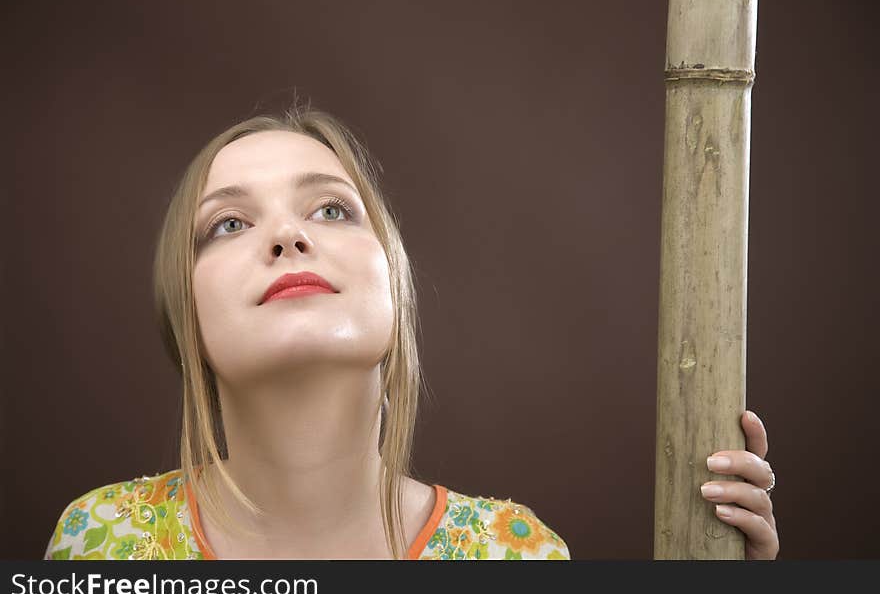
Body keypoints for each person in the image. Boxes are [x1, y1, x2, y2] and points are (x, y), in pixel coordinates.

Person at [43, 102, 778, 560]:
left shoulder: (513, 558)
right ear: (184, 312)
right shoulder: (99, 543)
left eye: (331, 209)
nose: (288, 235)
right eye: (229, 224)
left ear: (394, 285)